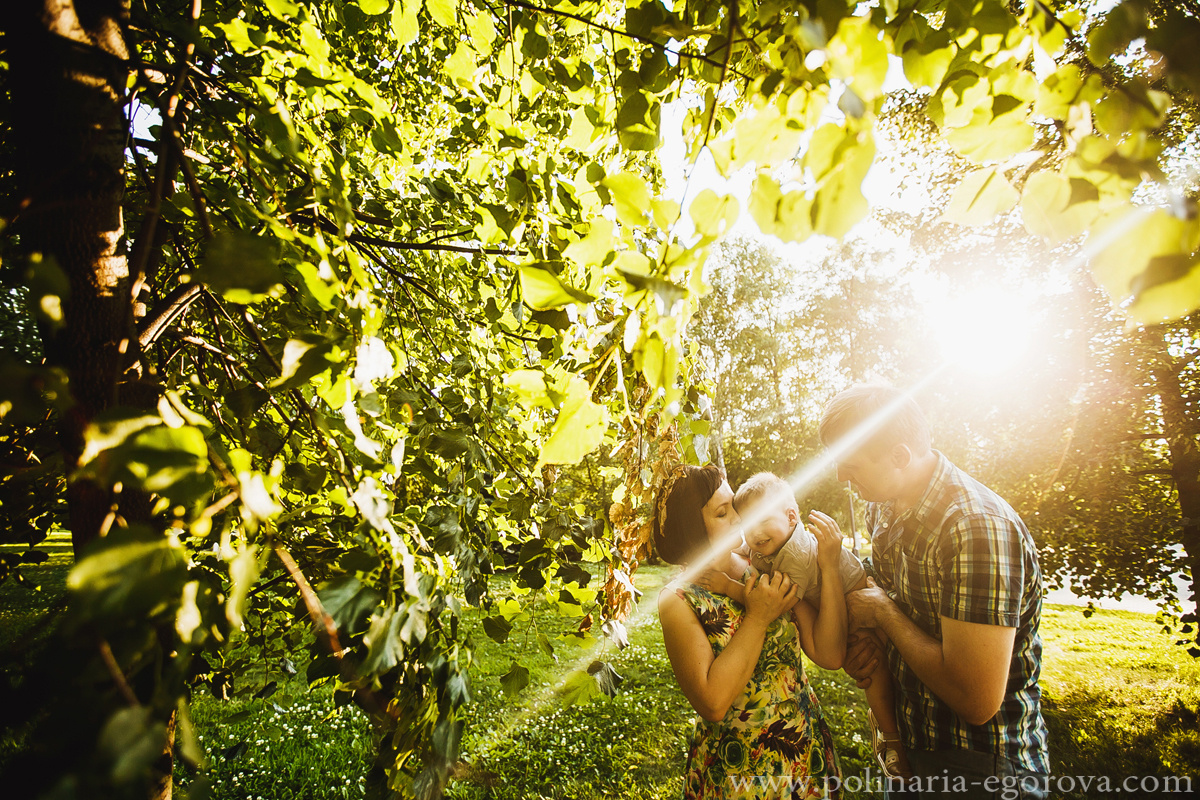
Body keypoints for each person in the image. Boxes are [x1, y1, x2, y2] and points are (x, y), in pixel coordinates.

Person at [821, 385, 1049, 798]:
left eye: (850, 465)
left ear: (900, 456)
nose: (840, 477)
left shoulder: (975, 528)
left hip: (983, 768)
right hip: (913, 749)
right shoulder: (884, 506)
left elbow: (976, 699)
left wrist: (883, 615)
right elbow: (891, 595)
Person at [654, 463, 842, 799]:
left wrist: (831, 573)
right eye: (723, 513)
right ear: (691, 528)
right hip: (741, 768)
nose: (741, 520)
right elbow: (712, 703)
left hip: (804, 749)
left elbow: (826, 652)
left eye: (734, 508)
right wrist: (757, 617)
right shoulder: (678, 601)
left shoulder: (763, 565)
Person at [711, 472, 911, 779]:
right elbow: (742, 552)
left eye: (763, 520)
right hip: (830, 599)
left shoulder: (795, 553)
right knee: (871, 665)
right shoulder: (768, 542)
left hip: (853, 597)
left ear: (792, 517)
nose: (754, 533)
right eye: (747, 525)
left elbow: (779, 599)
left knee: (873, 666)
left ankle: (892, 736)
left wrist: (728, 587)